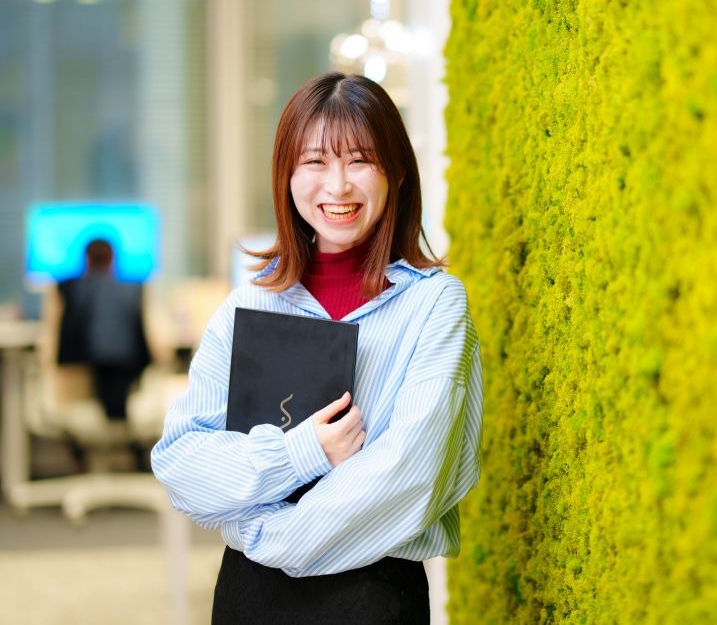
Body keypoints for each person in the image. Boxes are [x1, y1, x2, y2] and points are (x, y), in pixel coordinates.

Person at [152, 73, 483, 623]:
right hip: (249, 594)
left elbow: (410, 475)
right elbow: (182, 462)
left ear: (396, 172)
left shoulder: (433, 305)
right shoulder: (248, 307)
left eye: (359, 160)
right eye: (314, 163)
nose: (338, 186)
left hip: (371, 594)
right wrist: (302, 452)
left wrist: (261, 531)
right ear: (286, 176)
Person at [57, 237, 152, 422]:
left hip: (82, 376)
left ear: (87, 260)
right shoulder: (133, 289)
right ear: (112, 259)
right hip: (128, 370)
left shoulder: (70, 288)